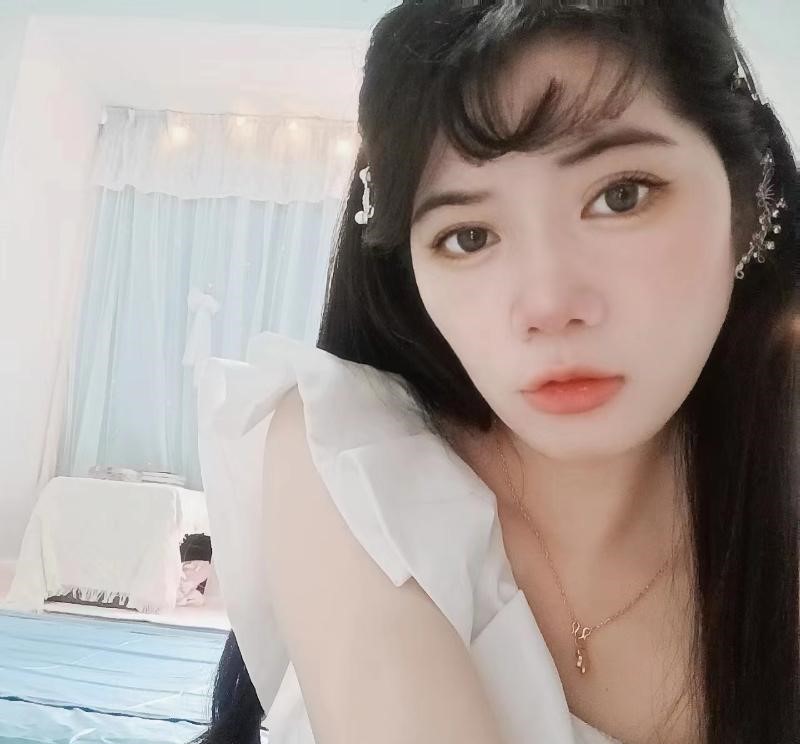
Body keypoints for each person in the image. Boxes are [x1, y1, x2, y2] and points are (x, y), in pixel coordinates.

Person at [192, 1, 799, 743]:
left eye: (621, 196)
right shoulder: (352, 459)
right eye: (469, 236)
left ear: (749, 202)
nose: (548, 305)